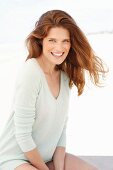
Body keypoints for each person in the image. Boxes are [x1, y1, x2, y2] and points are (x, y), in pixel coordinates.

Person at [0, 9, 106, 170]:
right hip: (15, 159)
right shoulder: (31, 71)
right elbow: (22, 135)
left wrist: (58, 166)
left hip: (46, 159)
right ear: (41, 40)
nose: (59, 47)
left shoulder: (64, 76)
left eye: (65, 41)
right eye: (52, 40)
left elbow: (61, 129)